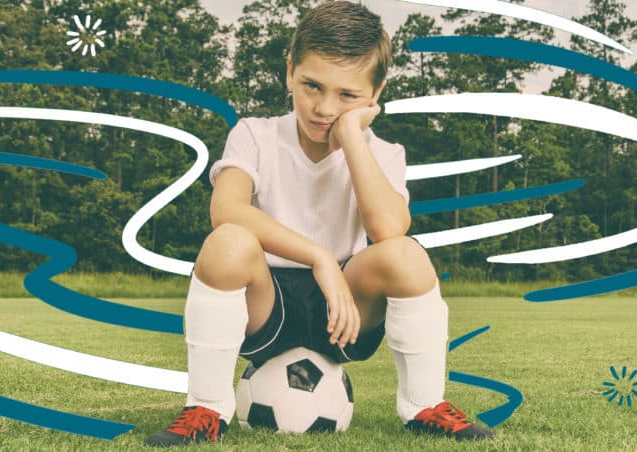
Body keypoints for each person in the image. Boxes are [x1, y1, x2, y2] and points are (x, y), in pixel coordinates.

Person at [145, 1, 494, 447]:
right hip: (265, 305)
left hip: (344, 312)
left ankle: (423, 404)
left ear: (374, 94)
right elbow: (226, 210)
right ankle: (207, 406)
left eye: (347, 95)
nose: (324, 107)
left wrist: (351, 138)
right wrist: (320, 259)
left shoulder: (383, 153)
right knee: (229, 241)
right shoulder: (255, 134)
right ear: (290, 71)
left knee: (406, 254)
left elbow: (389, 230)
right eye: (312, 85)